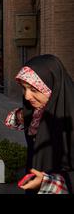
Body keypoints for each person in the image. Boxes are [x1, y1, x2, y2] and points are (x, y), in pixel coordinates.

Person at [5, 54, 74, 194]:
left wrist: (48, 182)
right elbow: (13, 120)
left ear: (52, 88)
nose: (27, 96)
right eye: (24, 88)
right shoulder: (37, 110)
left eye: (34, 90)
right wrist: (21, 116)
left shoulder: (69, 118)